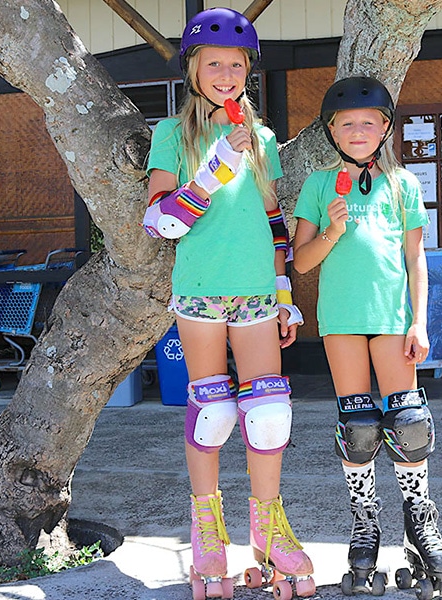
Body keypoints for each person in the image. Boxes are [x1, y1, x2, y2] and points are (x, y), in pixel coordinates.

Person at [142, 7, 315, 599]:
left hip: (258, 295)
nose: (225, 72)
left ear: (248, 71)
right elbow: (160, 221)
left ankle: (268, 530)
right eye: (213, 62)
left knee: (269, 415)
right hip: (199, 290)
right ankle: (207, 532)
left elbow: (274, 223)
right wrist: (216, 169)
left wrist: (286, 293)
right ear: (192, 68)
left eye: (236, 64)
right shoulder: (172, 133)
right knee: (213, 412)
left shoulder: (262, 136)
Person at [292, 76, 442, 597]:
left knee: (408, 423)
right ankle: (364, 525)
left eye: (369, 122)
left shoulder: (403, 184)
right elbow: (300, 262)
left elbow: (415, 259)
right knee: (359, 425)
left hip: (391, 318)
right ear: (332, 131)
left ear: (385, 127)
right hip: (341, 320)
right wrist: (333, 231)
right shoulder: (319, 185)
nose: (358, 131)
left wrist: (420, 320)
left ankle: (421, 525)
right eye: (347, 124)